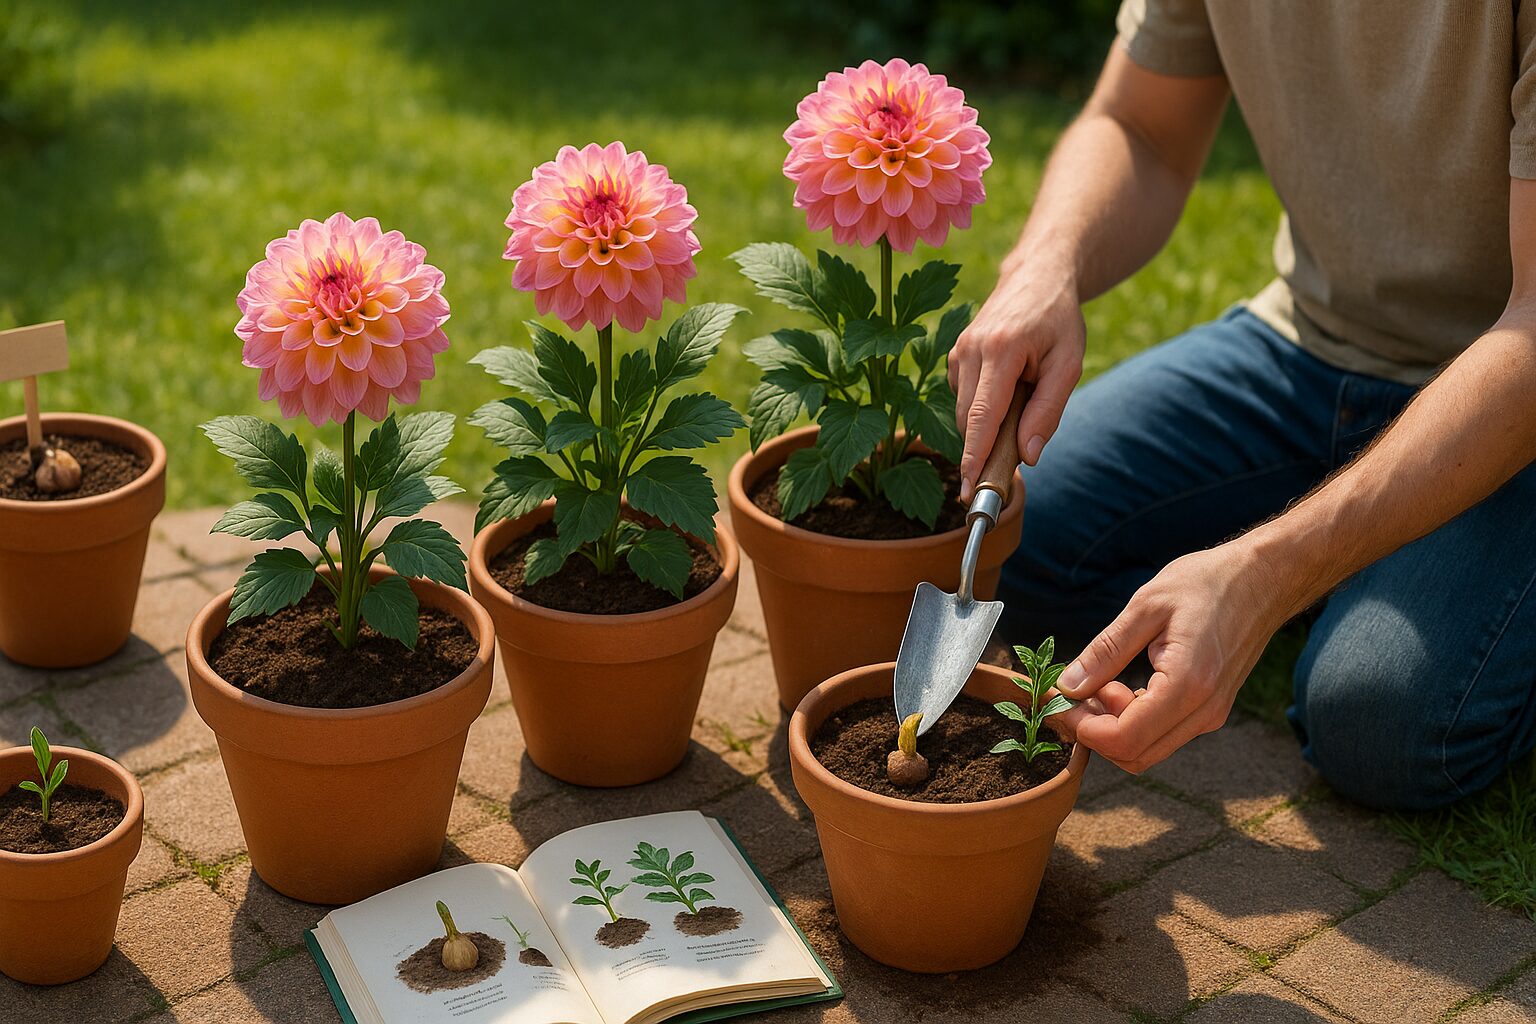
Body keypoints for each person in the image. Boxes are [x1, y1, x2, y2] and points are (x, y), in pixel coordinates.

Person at [948, 0, 1536, 811]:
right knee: (1021, 540)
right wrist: (1045, 266)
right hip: (1310, 347)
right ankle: (1351, 563)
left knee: (1378, 720)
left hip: (1509, 391)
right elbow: (1140, 126)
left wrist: (1265, 575)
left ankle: (1336, 574)